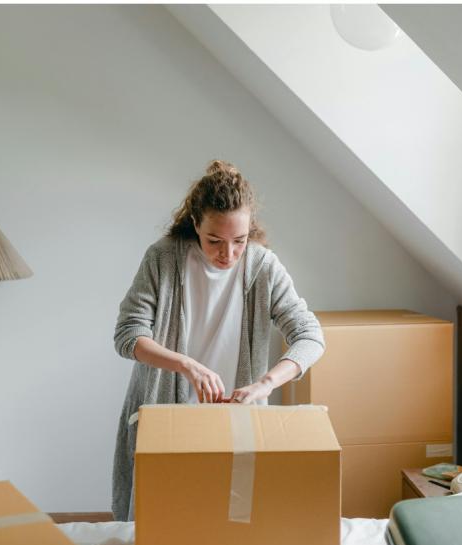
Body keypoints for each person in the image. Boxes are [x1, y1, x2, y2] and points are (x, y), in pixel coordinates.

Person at [111, 159, 325, 522]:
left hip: (236, 420)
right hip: (168, 419)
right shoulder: (163, 259)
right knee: (163, 523)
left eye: (239, 241)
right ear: (195, 224)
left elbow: (310, 336)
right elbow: (128, 335)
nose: (228, 254)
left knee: (234, 523)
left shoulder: (263, 267)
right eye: (215, 241)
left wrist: (265, 384)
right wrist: (187, 365)